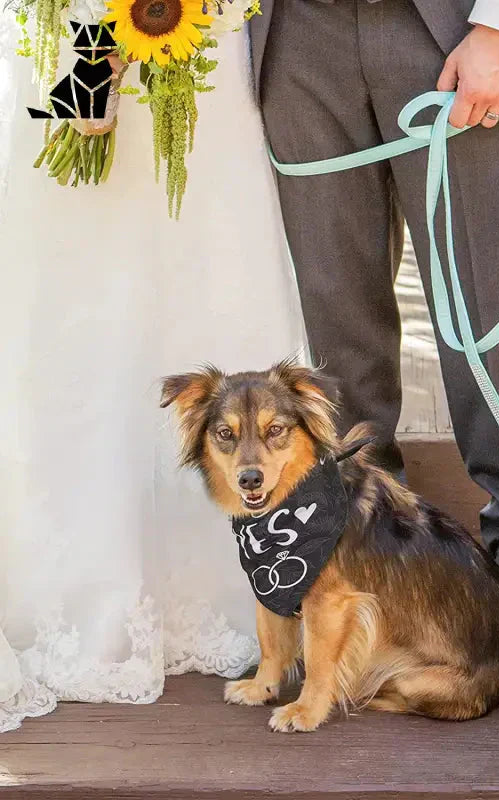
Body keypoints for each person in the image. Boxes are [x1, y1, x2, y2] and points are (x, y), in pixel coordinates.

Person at [0, 16, 305, 730]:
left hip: (203, 44)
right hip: (57, 36)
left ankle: (247, 583)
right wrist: (88, 36)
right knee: (71, 294)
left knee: (206, 273)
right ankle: (63, 576)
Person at [252, 0, 499, 560]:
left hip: (458, 23)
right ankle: (368, 569)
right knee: (330, 318)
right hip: (293, 33)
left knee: (494, 312)